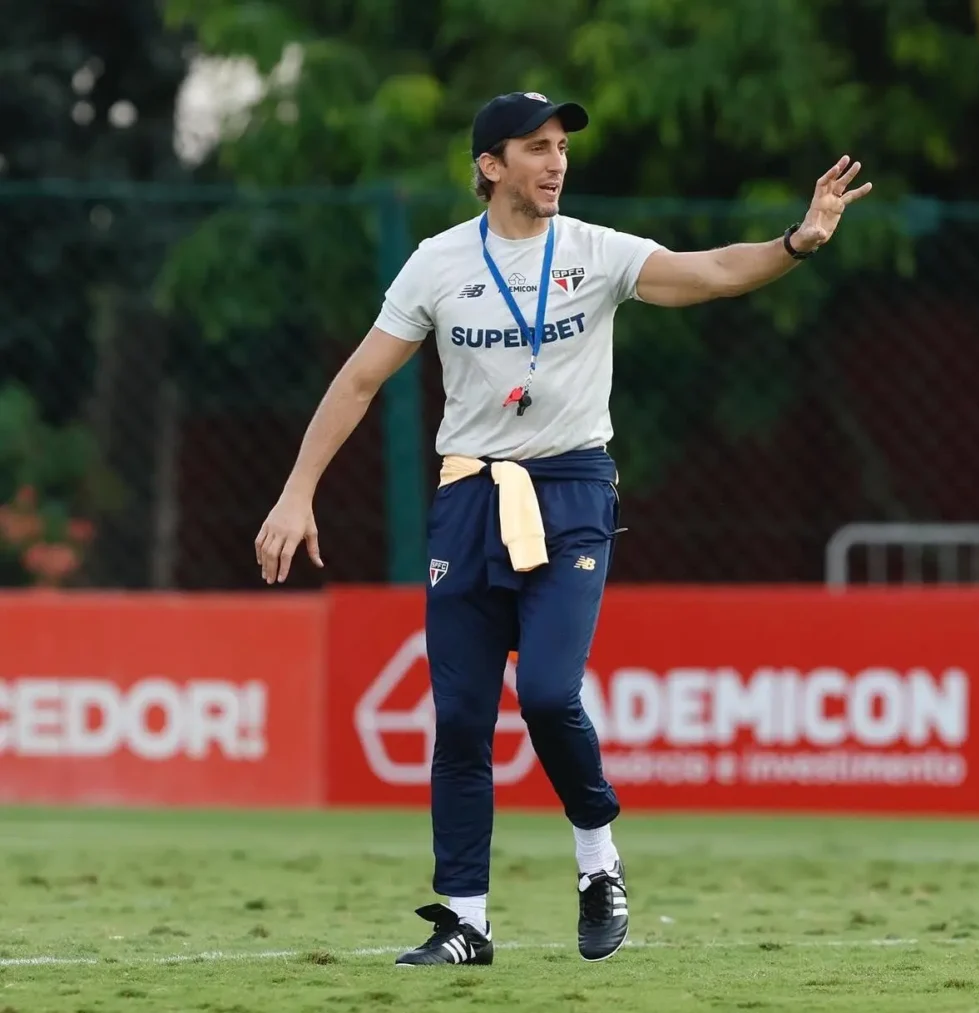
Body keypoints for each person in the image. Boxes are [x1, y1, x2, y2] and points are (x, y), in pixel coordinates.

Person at [253, 90, 871, 968]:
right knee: (462, 718)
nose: (555, 162)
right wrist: (296, 492)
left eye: (560, 147)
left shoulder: (596, 252)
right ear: (489, 165)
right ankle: (466, 920)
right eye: (535, 147)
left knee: (546, 692)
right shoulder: (435, 264)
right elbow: (358, 382)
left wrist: (796, 242)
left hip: (573, 489)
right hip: (468, 496)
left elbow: (711, 273)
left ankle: (598, 861)